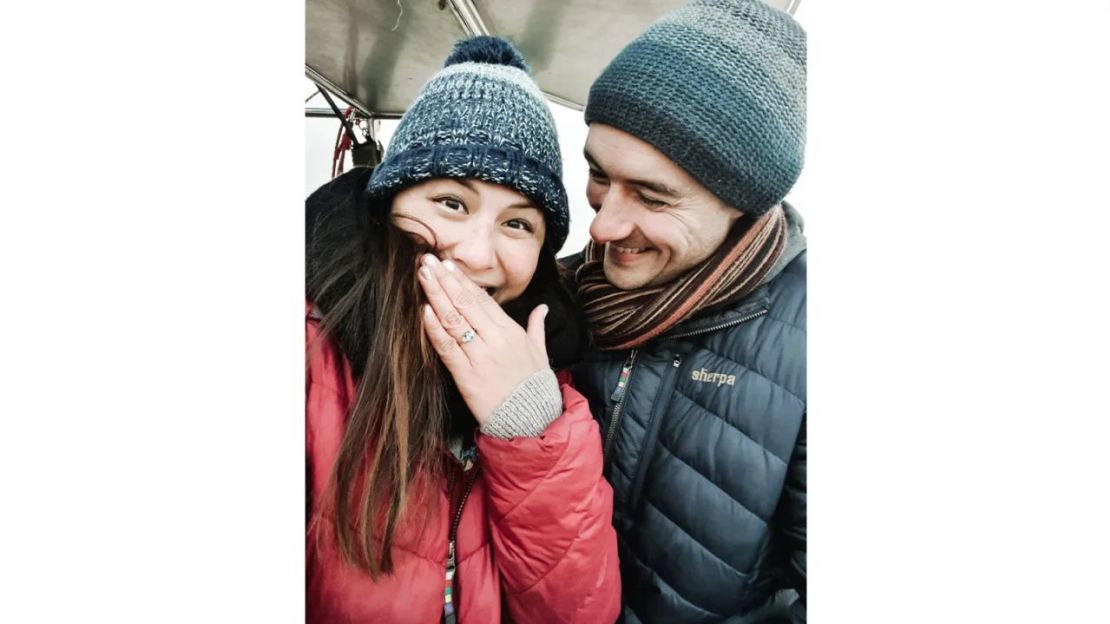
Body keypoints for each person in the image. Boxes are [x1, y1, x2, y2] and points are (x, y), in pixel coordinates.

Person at [305, 37, 619, 624]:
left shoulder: (551, 369)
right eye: (451, 202)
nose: (476, 255)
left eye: (518, 222)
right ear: (389, 201)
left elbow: (577, 612)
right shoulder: (308, 352)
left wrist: (529, 429)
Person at [564, 1, 807, 622]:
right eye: (598, 174)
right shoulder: (560, 290)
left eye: (652, 196)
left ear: (741, 205)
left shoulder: (808, 340)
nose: (603, 223)